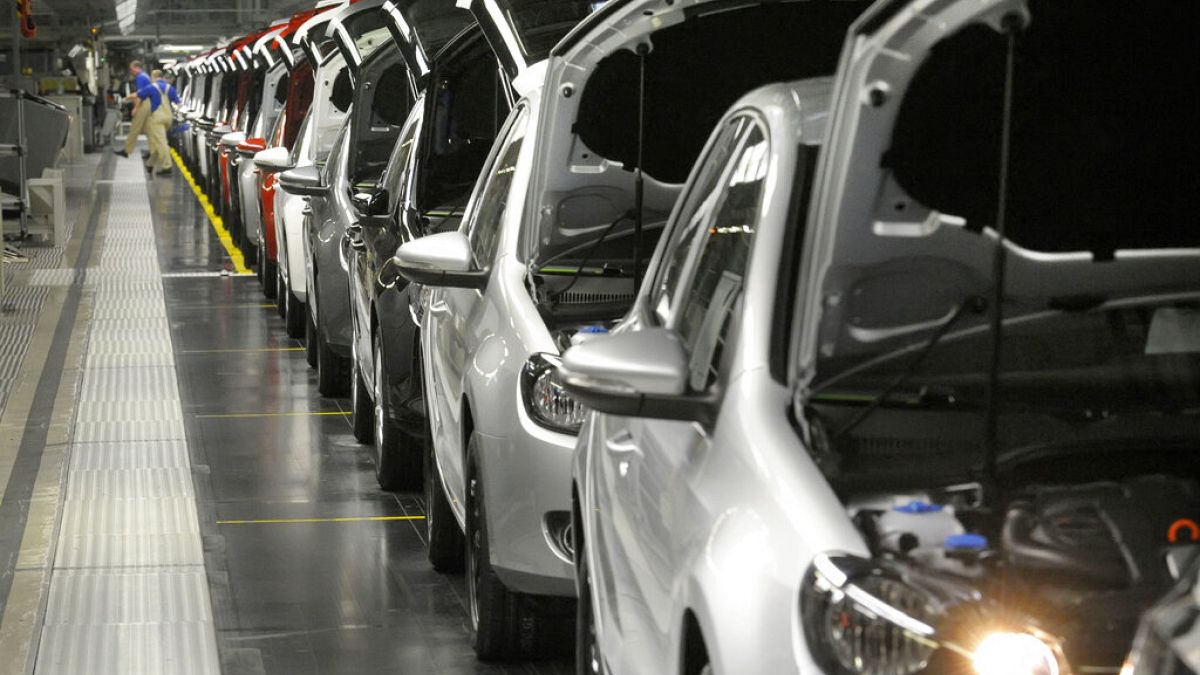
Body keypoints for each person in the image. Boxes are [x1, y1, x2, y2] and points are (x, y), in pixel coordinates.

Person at [137, 69, 180, 176]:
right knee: (159, 141)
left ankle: (167, 166)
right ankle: (150, 164)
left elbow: (139, 95)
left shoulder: (151, 87)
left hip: (157, 118)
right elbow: (178, 103)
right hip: (168, 118)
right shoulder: (170, 88)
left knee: (161, 142)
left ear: (153, 77)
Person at [113, 60, 152, 158]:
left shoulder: (140, 77)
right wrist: (127, 98)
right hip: (149, 103)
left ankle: (127, 150)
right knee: (148, 129)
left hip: (144, 103)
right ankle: (153, 151)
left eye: (132, 69)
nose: (131, 71)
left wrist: (135, 108)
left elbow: (140, 95)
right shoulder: (145, 76)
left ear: (137, 67)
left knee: (135, 126)